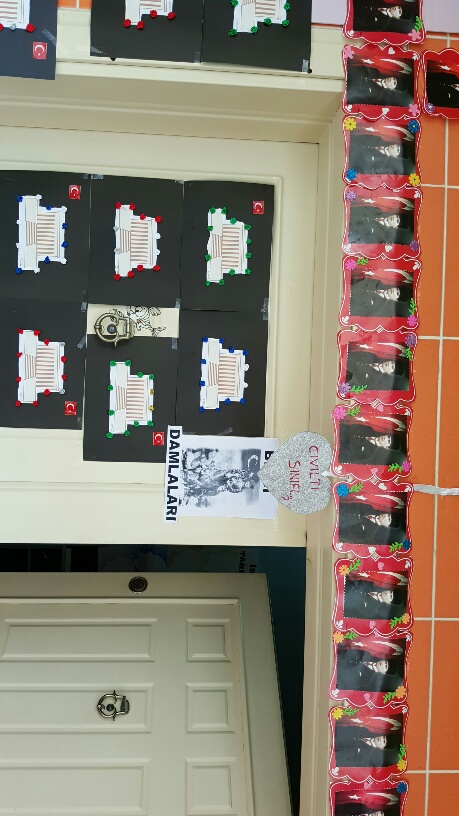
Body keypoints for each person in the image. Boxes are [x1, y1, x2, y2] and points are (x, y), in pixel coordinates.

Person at [336, 642, 405, 692]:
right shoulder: (367, 653)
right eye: (386, 662)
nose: (383, 663)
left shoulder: (367, 681)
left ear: (384, 673)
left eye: (386, 666)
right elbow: (346, 651)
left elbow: (345, 685)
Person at [338, 499, 407, 545]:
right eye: (388, 515)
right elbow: (347, 505)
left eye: (388, 519)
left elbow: (346, 537)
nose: (385, 517)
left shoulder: (370, 534)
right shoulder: (368, 507)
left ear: (387, 526)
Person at [343, 572, 408, 620]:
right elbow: (355, 581)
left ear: (389, 603)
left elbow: (352, 612)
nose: (387, 594)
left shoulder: (372, 610)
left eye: (390, 597)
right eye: (390, 592)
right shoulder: (373, 584)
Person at [346, 62, 414, 108]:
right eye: (394, 78)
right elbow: (358, 68)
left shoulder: (376, 96)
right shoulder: (375, 71)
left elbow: (357, 101)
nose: (391, 80)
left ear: (393, 89)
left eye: (394, 83)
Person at [338, 420, 407, 466]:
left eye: (388, 441)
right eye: (388, 436)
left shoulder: (369, 455)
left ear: (386, 447)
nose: (385, 438)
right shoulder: (370, 429)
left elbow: (346, 458)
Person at [334, 722, 401, 768]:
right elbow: (341, 730)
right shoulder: (364, 730)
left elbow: (342, 761)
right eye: (383, 737)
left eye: (384, 741)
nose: (381, 739)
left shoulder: (366, 758)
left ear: (382, 748)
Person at [348, 132, 416, 176]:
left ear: (396, 156)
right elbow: (356, 137)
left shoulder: (381, 165)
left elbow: (363, 172)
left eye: (397, 150)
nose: (394, 147)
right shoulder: (378, 138)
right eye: (397, 145)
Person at [348, 204, 414, 247]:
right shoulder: (377, 210)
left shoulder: (381, 237)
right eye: (396, 216)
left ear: (395, 227)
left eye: (397, 221)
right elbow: (357, 209)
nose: (394, 218)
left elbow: (360, 241)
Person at [345, 348, 410, 392]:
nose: (389, 364)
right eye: (392, 362)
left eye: (392, 367)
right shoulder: (372, 356)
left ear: (390, 373)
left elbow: (353, 386)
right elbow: (351, 355)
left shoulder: (374, 383)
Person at [352, 0, 419, 35]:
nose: (396, 9)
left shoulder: (382, 24)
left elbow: (360, 27)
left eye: (399, 11)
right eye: (398, 7)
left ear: (398, 17)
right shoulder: (380, 1)